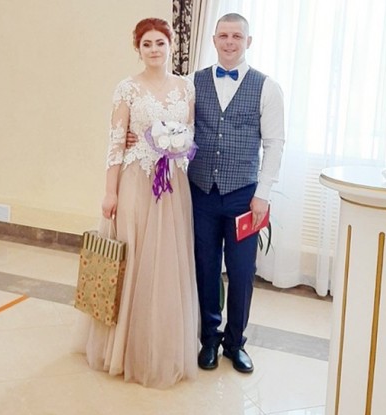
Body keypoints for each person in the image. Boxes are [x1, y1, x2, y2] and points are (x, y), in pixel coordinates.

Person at [82, 18, 199, 389]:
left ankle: (161, 346)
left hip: (173, 184)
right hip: (135, 181)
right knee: (133, 257)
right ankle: (123, 347)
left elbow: (190, 134)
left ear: (170, 45)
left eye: (160, 43)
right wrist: (110, 192)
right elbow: (115, 143)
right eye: (147, 44)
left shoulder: (186, 87)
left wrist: (177, 146)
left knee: (166, 262)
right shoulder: (127, 88)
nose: (154, 49)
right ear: (138, 48)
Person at [189, 13, 285, 374]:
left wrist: (263, 194)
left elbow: (274, 144)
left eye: (237, 36)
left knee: (243, 272)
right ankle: (209, 340)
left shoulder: (267, 87)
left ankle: (235, 343)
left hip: (244, 196)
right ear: (213, 40)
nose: (230, 42)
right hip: (201, 192)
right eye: (224, 36)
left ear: (248, 41)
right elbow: (174, 127)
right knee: (206, 266)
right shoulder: (193, 82)